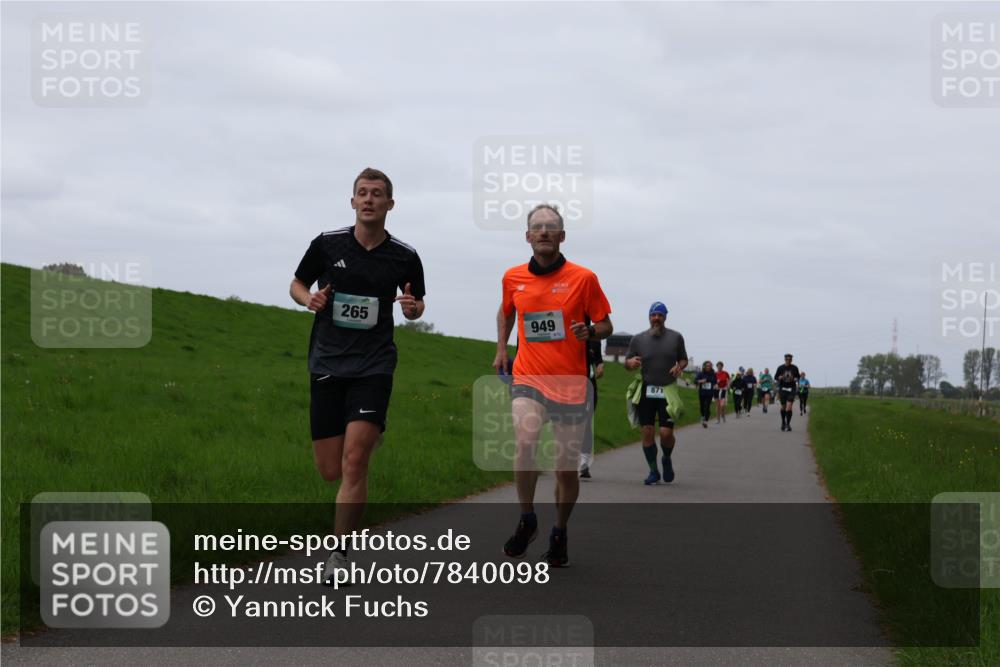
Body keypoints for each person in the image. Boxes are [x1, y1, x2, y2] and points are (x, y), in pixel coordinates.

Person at [290, 167, 426, 585]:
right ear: (352, 202)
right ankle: (360, 446)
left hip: (374, 365)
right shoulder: (327, 244)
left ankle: (339, 554)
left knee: (353, 461)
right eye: (362, 193)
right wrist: (308, 299)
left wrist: (411, 308)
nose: (369, 199)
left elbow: (416, 302)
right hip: (328, 363)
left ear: (390, 204)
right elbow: (297, 283)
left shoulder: (404, 256)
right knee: (331, 469)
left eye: (377, 194)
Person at [494, 203, 612, 567]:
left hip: (572, 382)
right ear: (528, 236)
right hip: (528, 376)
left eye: (552, 228)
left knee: (564, 467)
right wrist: (502, 347)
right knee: (526, 439)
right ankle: (527, 517)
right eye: (537, 227)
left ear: (562, 236)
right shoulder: (513, 277)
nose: (544, 232)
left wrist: (590, 331)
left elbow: (605, 324)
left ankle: (559, 531)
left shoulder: (584, 278)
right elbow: (506, 310)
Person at [624, 302, 688, 485]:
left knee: (666, 433)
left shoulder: (676, 337)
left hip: (667, 389)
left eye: (660, 315)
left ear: (665, 317)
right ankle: (653, 471)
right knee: (647, 431)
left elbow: (683, 359)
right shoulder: (638, 339)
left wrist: (679, 366)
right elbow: (626, 363)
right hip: (646, 389)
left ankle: (666, 459)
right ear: (649, 317)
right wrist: (630, 364)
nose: (656, 318)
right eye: (653, 315)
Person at [579, 338, 604, 479]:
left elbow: (598, 358)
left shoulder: (594, 336)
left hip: (588, 385)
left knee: (586, 422)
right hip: (566, 384)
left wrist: (600, 365)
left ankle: (583, 464)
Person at [775, 354, 801, 431]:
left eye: (790, 359)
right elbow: (775, 377)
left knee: (789, 407)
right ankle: (783, 422)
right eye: (787, 359)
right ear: (784, 359)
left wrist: (796, 379)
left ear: (791, 360)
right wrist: (779, 377)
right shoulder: (780, 367)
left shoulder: (795, 368)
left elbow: (798, 377)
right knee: (783, 407)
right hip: (782, 389)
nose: (788, 360)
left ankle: (788, 424)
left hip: (791, 388)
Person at [695, 360, 716, 428]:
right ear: (704, 366)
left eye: (709, 366)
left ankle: (705, 421)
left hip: (709, 393)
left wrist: (706, 380)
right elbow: (695, 380)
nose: (708, 367)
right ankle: (703, 416)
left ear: (711, 367)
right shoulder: (701, 373)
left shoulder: (713, 373)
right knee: (702, 407)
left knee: (707, 406)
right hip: (702, 392)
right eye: (707, 366)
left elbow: (714, 380)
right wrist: (700, 381)